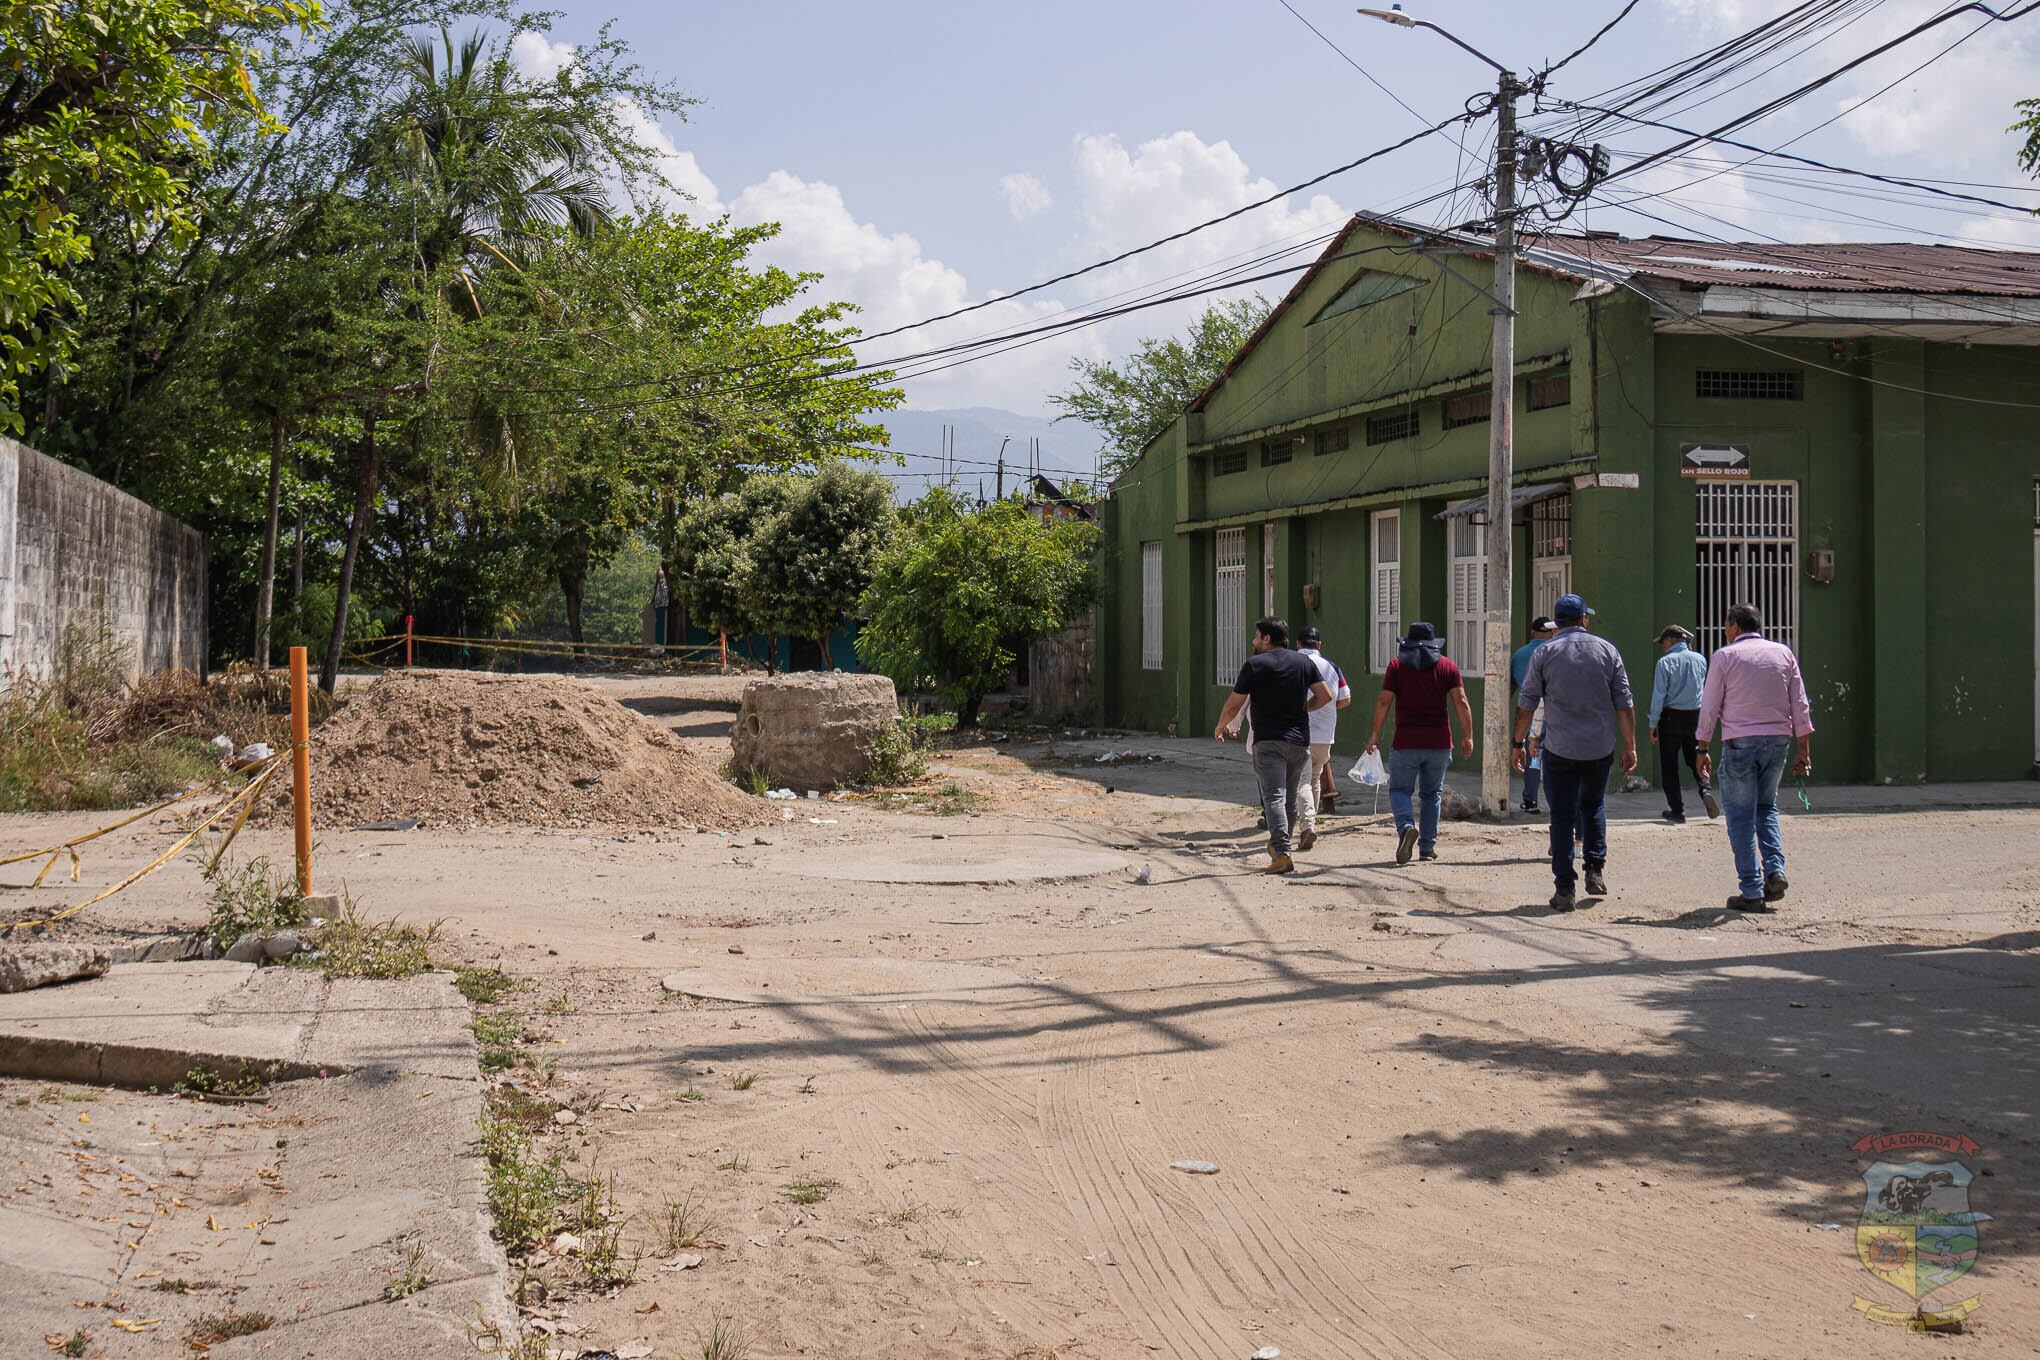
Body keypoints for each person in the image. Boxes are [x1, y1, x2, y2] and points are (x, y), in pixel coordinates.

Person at [1511, 594, 1637, 912]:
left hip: (1560, 749)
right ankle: (1595, 870)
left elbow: (1527, 702)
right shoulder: (1607, 651)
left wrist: (1519, 742)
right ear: (1584, 619)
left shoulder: (1545, 653)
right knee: (1593, 806)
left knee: (1562, 817)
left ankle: (1564, 888)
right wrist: (1630, 745)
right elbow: (1625, 702)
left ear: (1557, 623)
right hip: (1599, 748)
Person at [1694, 604, 1814, 912]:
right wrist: (1804, 750)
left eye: (1725, 625)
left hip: (1741, 744)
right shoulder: (1783, 653)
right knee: (1766, 807)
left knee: (1740, 817)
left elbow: (1709, 706)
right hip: (1778, 742)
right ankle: (1775, 869)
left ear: (1734, 626)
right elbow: (1799, 704)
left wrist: (1702, 747)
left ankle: (1751, 889)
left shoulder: (1724, 657)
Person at [1215, 617, 1334, 874]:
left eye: (1256, 636)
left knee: (1274, 797)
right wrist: (1305, 708)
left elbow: (1235, 703)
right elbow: (1325, 695)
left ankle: (1281, 852)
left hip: (1268, 740)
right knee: (1289, 799)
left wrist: (1221, 724)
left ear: (1267, 638)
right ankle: (1280, 847)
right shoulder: (1303, 662)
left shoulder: (1255, 664)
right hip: (1299, 741)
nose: (1253, 641)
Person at [1364, 622, 1473, 866]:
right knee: (1431, 794)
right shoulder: (1448, 667)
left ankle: (1405, 827)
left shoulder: (1396, 666)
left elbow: (1384, 701)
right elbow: (1461, 701)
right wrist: (1468, 735)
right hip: (1439, 743)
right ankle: (1426, 847)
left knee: (1400, 790)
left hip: (1406, 743)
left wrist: (1374, 733)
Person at [1648, 624, 1717, 824]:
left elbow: (1659, 695)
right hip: (1695, 716)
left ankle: (1677, 810)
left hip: (1670, 718)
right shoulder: (1700, 660)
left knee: (1669, 766)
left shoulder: (1664, 663)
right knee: (1696, 757)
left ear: (1670, 640)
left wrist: (1653, 723)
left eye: (1663, 642)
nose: (1663, 646)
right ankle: (1705, 790)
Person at [1294, 626, 1353, 850]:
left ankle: (1307, 826)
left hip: (1299, 732)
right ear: (1319, 645)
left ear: (1298, 644)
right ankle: (1311, 824)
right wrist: (1328, 710)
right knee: (1315, 779)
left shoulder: (1293, 663)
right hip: (1326, 735)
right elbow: (1345, 699)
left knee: (1301, 780)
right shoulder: (1331, 667)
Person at [1510, 616, 1557, 812]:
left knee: (1534, 756)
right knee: (1556, 757)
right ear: (1552, 632)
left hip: (1529, 712)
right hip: (1555, 712)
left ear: (1532, 632)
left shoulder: (1520, 655)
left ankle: (1530, 800)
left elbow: (1511, 686)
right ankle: (1557, 800)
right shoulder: (1555, 653)